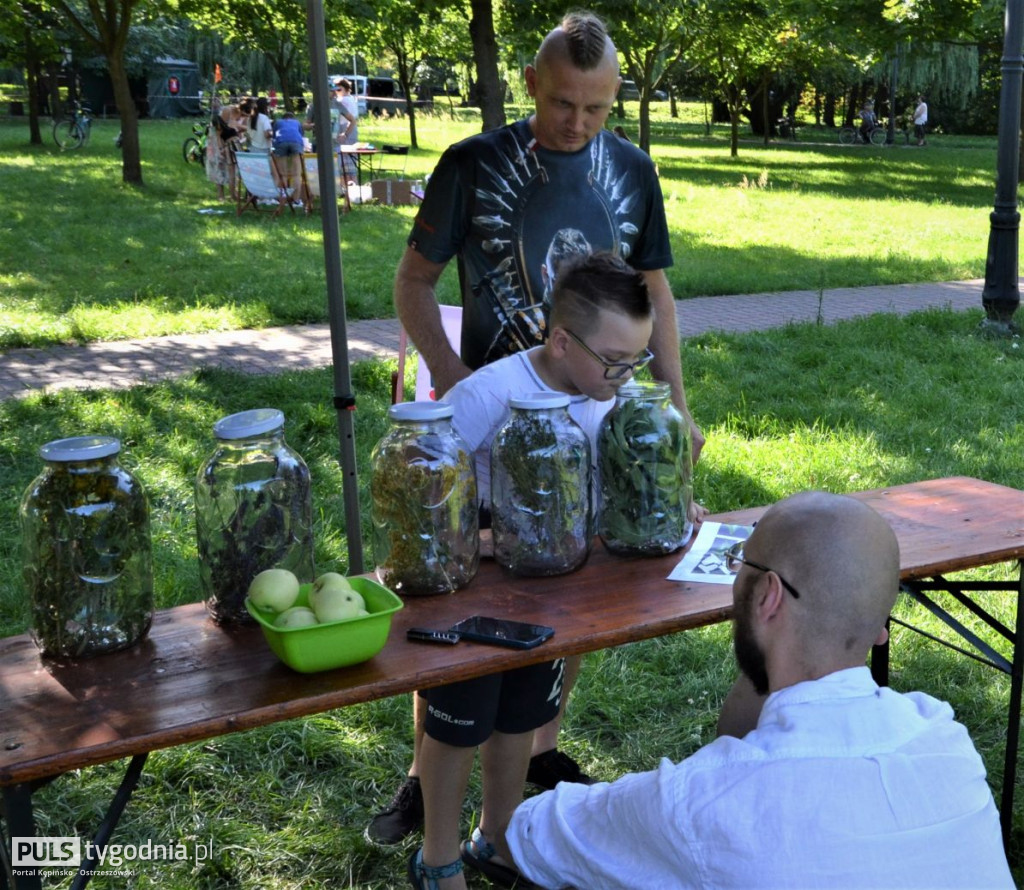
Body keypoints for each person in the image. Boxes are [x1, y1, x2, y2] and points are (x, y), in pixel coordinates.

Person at [370, 9, 707, 847]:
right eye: (563, 104)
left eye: (597, 108)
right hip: (492, 416)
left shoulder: (631, 168)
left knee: (570, 581)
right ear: (530, 85)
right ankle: (425, 775)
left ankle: (539, 751)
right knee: (463, 595)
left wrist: (672, 397)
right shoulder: (471, 164)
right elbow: (413, 283)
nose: (579, 124)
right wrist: (454, 381)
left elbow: (654, 293)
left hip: (593, 417)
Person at [503, 491, 1014, 890]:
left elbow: (527, 835)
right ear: (880, 625)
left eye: (738, 566)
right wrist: (771, 656)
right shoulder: (944, 738)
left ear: (768, 595)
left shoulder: (701, 803)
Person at [408, 252, 655, 890]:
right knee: (464, 719)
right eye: (614, 361)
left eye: (637, 362)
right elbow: (418, 484)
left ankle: (496, 837)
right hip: (477, 590)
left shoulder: (602, 392)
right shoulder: (490, 394)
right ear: (561, 340)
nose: (625, 378)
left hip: (553, 586)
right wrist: (483, 542)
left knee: (520, 717)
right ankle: (436, 860)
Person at [271, 110, 304, 194]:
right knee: (296, 174)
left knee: (283, 174)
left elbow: (274, 136)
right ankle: (296, 200)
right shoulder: (297, 122)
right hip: (296, 143)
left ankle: (283, 198)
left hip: (281, 143)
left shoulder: (278, 122)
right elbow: (301, 135)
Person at [333, 79, 359, 183]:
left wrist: (345, 134)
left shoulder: (343, 100)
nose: (337, 92)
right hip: (351, 129)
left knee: (344, 161)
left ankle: (348, 185)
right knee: (350, 161)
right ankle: (351, 185)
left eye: (339, 89)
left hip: (346, 129)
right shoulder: (351, 98)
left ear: (346, 89)